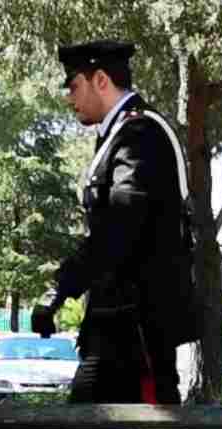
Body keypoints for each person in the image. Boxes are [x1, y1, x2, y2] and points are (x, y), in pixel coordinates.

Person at [30, 39, 196, 404]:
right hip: (119, 326)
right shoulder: (124, 134)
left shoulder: (140, 134)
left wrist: (59, 289)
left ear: (100, 80)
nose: (69, 98)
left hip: (137, 328)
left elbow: (120, 225)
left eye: (74, 86)